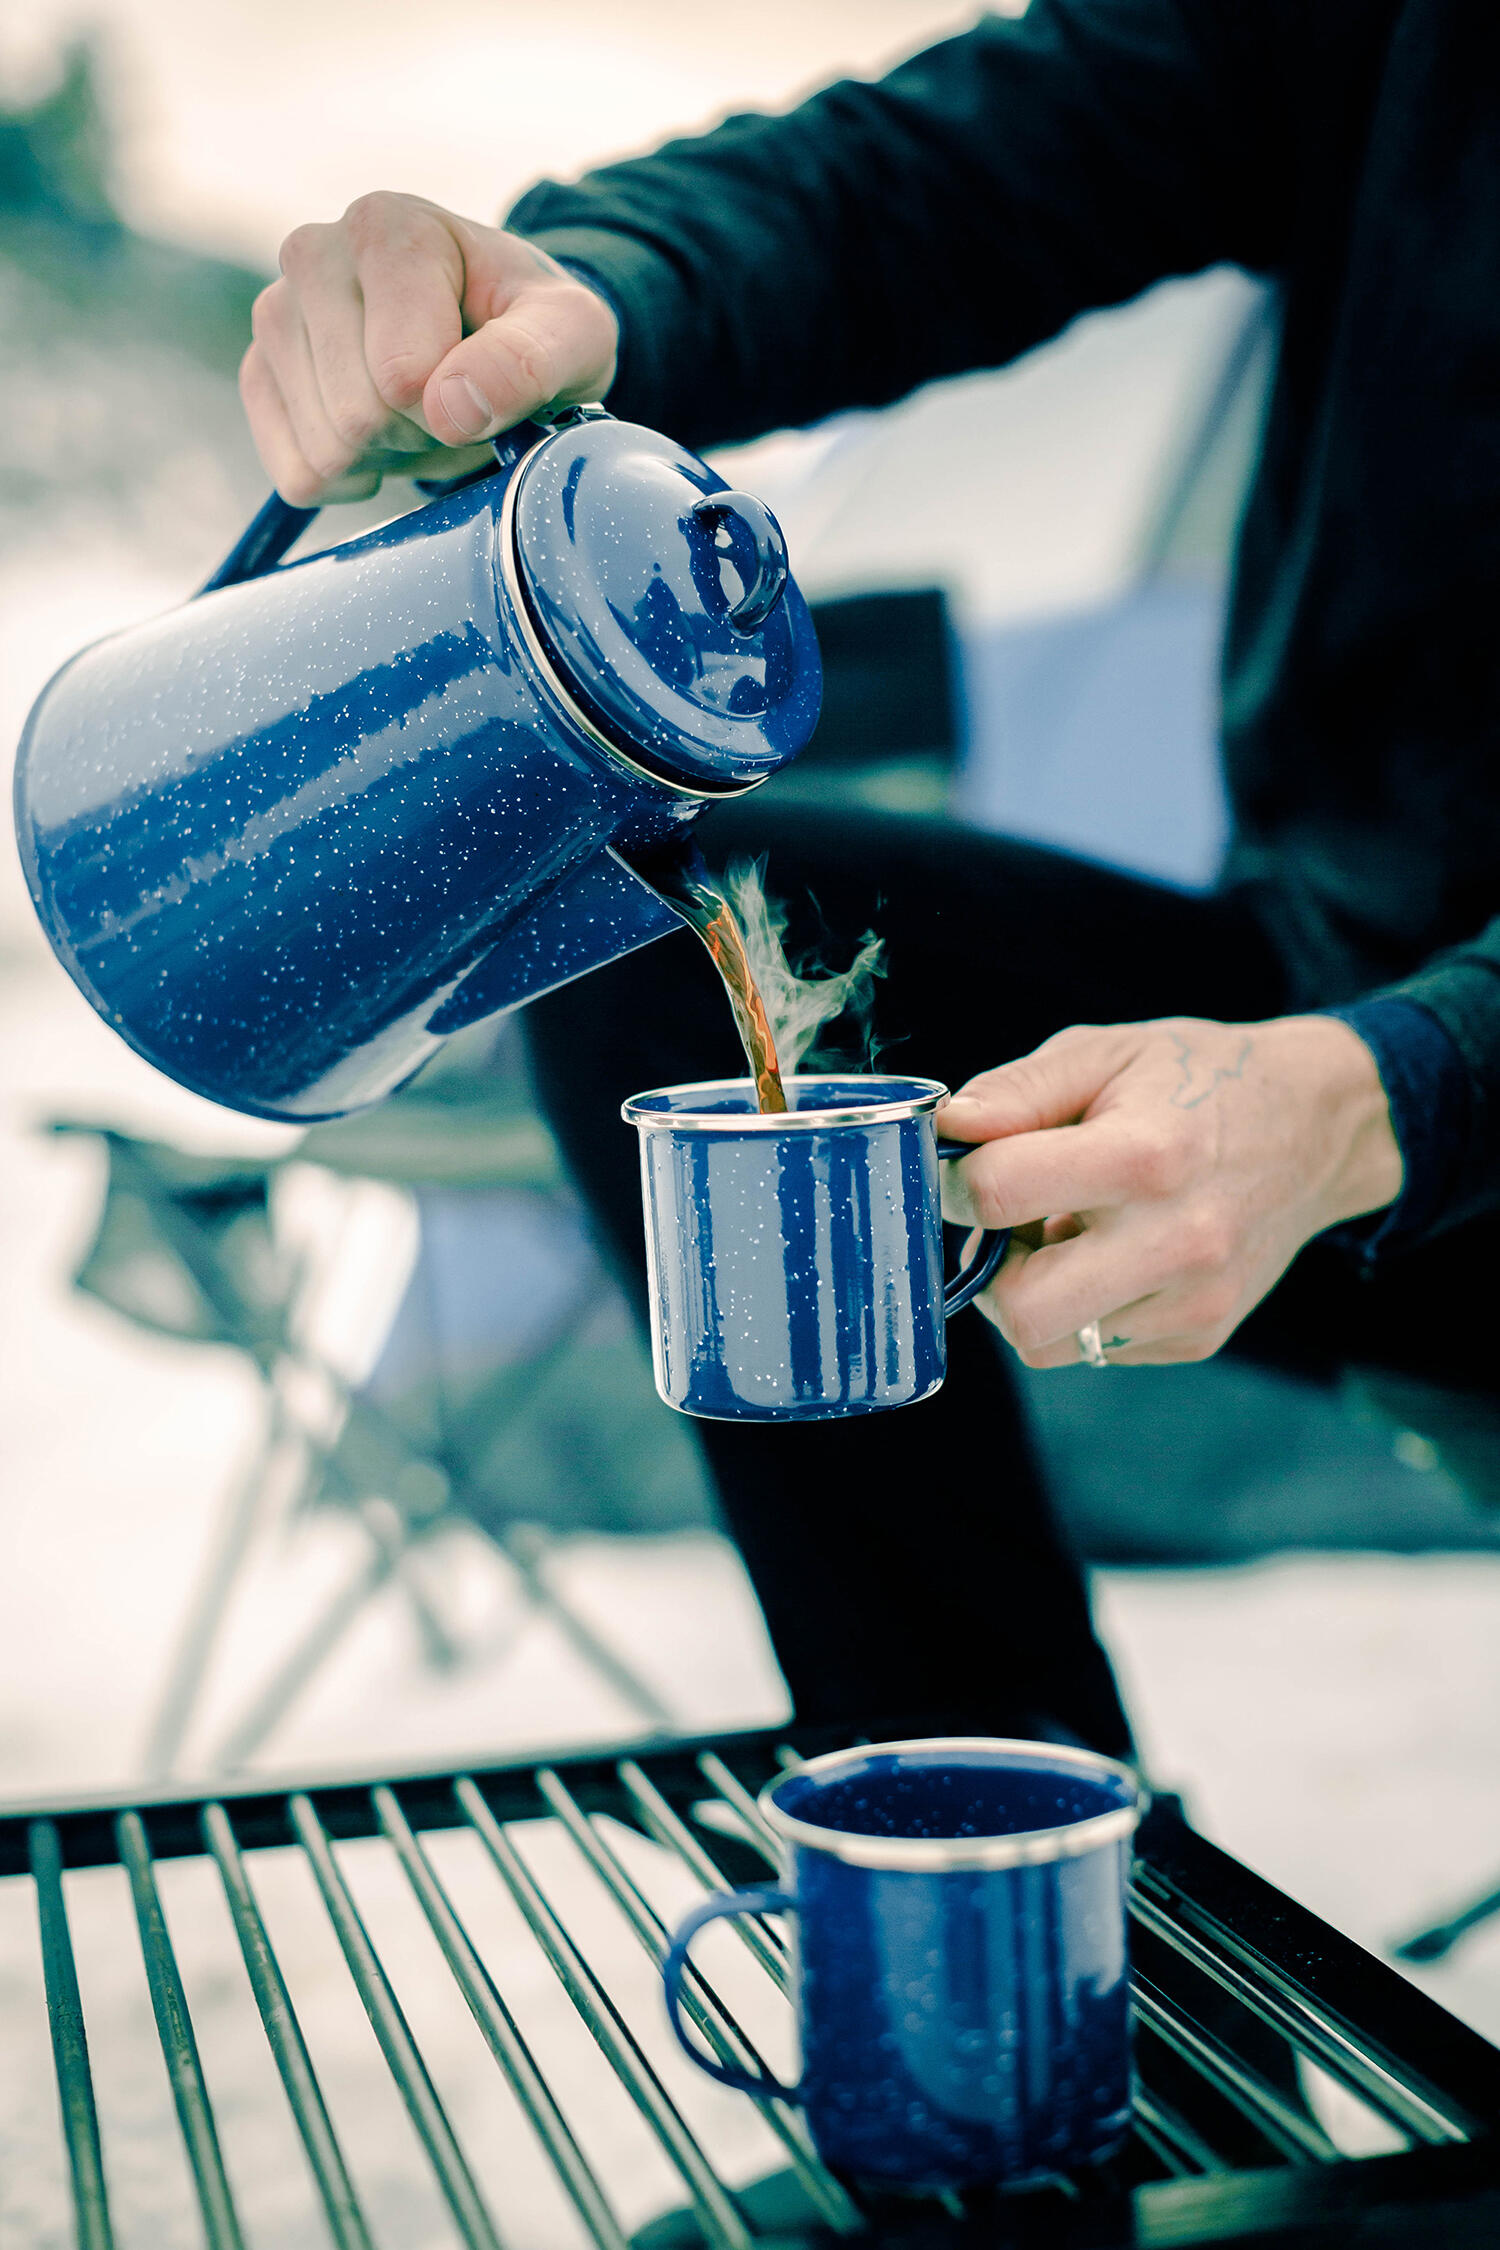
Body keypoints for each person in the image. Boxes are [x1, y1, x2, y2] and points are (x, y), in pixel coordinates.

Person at [239, 0, 1500, 1758]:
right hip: (1335, 980)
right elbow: (961, 169)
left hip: (1440, 1095)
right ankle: (1010, 1889)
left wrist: (1402, 1090)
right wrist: (585, 287)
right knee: (659, 950)